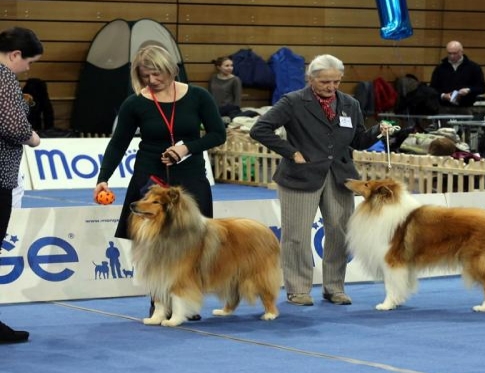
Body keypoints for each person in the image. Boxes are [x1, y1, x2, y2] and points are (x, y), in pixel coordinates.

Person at [94, 44, 226, 319]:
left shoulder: (198, 97)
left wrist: (186, 148)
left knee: (193, 244)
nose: (152, 81)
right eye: (145, 76)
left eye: (157, 74)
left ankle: (186, 302)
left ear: (171, 70)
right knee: (151, 246)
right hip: (149, 179)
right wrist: (103, 178)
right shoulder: (135, 103)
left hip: (189, 178)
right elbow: (118, 143)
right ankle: (158, 302)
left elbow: (217, 134)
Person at [249, 54, 390, 306]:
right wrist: (291, 152)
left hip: (340, 177)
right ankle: (298, 289)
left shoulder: (350, 104)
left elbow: (357, 141)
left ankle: (334, 287)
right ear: (310, 79)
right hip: (300, 177)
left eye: (336, 81)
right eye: (325, 82)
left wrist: (377, 131)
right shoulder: (292, 102)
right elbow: (259, 129)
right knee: (296, 235)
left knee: (339, 233)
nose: (331, 87)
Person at [0, 26, 43, 343]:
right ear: (15, 55)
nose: (28, 68)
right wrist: (34, 138)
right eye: (29, 61)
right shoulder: (4, 79)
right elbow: (14, 127)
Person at [429, 41, 485, 112]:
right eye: (449, 53)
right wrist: (443, 95)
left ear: (461, 52)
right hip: (444, 107)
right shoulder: (440, 68)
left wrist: (469, 90)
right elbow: (432, 89)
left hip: (466, 107)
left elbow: (482, 88)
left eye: (455, 53)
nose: (452, 56)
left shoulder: (473, 67)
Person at [208, 55, 242, 120]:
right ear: (219, 67)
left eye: (231, 65)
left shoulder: (235, 79)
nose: (230, 68)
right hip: (215, 107)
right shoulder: (213, 78)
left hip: (229, 109)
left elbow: (237, 99)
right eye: (227, 66)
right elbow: (210, 94)